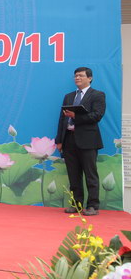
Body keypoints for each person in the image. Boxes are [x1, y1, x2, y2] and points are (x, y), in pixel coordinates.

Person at [55, 67, 105, 216]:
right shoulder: (69, 96)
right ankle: (76, 205)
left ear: (90, 78)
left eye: (81, 76)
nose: (77, 78)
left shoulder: (97, 95)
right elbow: (62, 119)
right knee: (73, 175)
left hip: (88, 141)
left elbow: (97, 115)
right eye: (76, 76)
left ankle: (93, 206)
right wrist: (59, 140)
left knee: (90, 175)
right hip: (69, 140)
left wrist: (76, 116)